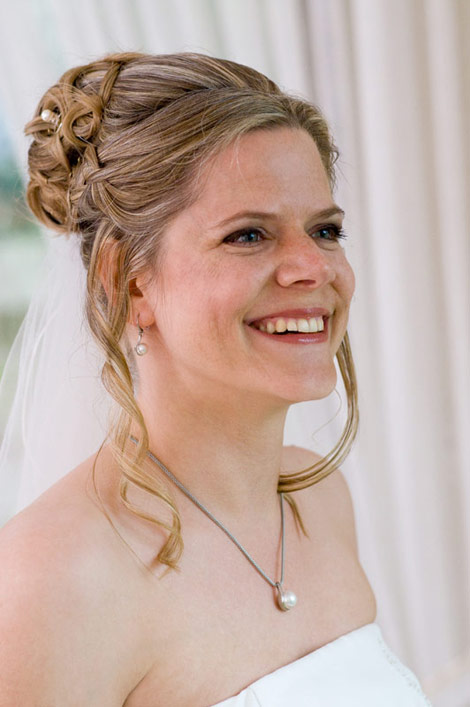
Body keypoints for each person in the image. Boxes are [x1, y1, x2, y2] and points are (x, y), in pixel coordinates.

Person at [0, 52, 432, 706]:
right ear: (128, 282)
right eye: (249, 235)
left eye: (325, 230)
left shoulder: (319, 501)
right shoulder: (50, 578)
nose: (314, 267)